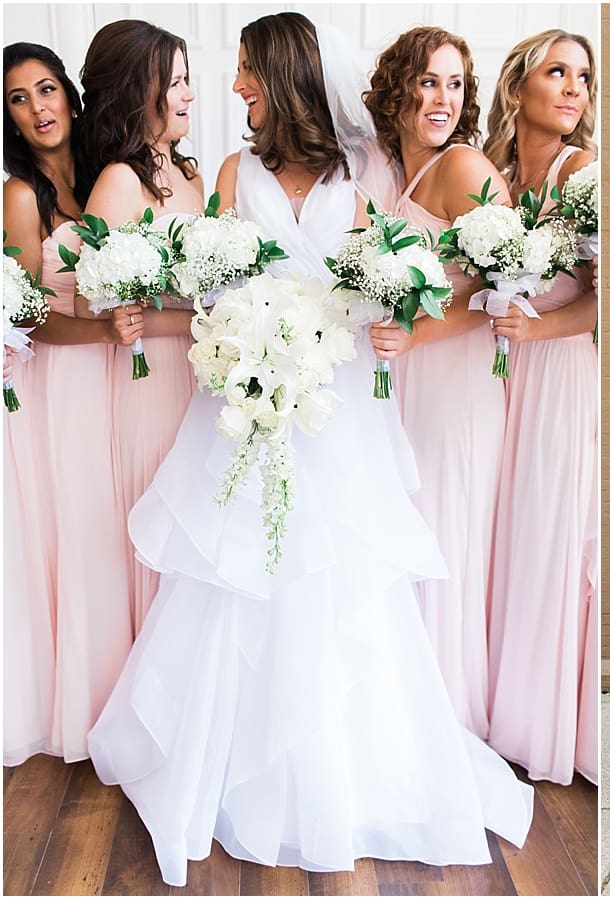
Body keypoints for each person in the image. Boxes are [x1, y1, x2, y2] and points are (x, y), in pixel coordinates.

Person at [86, 14, 532, 888]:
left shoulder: (355, 173)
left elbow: (377, 279)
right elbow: (211, 286)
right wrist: (169, 319)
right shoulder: (231, 171)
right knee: (242, 574)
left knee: (339, 577)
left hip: (331, 402)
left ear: (282, 74)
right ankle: (228, 762)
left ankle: (343, 773)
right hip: (245, 395)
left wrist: (401, 324)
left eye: (247, 69)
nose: (236, 85)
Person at [364, 26, 510, 741]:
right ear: (398, 88)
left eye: (454, 84)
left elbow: (500, 290)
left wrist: (416, 331)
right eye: (428, 81)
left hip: (454, 384)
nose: (442, 98)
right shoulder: (395, 171)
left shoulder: (464, 168)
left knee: (442, 533)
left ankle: (443, 719)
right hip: (405, 383)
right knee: (404, 530)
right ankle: (399, 702)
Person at [3, 41, 138, 764]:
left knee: (121, 530)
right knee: (82, 537)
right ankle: (83, 704)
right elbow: (28, 315)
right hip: (65, 380)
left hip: (122, 373)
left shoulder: (106, 178)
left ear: (71, 97)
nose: (38, 108)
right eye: (19, 99)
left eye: (47, 89)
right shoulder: (20, 196)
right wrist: (102, 330)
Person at [482, 29, 599, 785]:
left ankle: (546, 721)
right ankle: (498, 708)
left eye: (583, 77)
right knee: (503, 537)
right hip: (495, 380)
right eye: (557, 72)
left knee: (547, 537)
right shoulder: (489, 174)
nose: (573, 88)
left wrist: (540, 325)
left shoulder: (583, 173)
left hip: (556, 375)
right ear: (517, 85)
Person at [74, 20, 204, 633]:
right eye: (176, 83)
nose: (188, 96)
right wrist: (186, 318)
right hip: (148, 385)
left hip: (201, 380)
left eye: (186, 80)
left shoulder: (195, 178)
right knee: (156, 519)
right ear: (138, 92)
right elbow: (88, 304)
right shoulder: (119, 182)